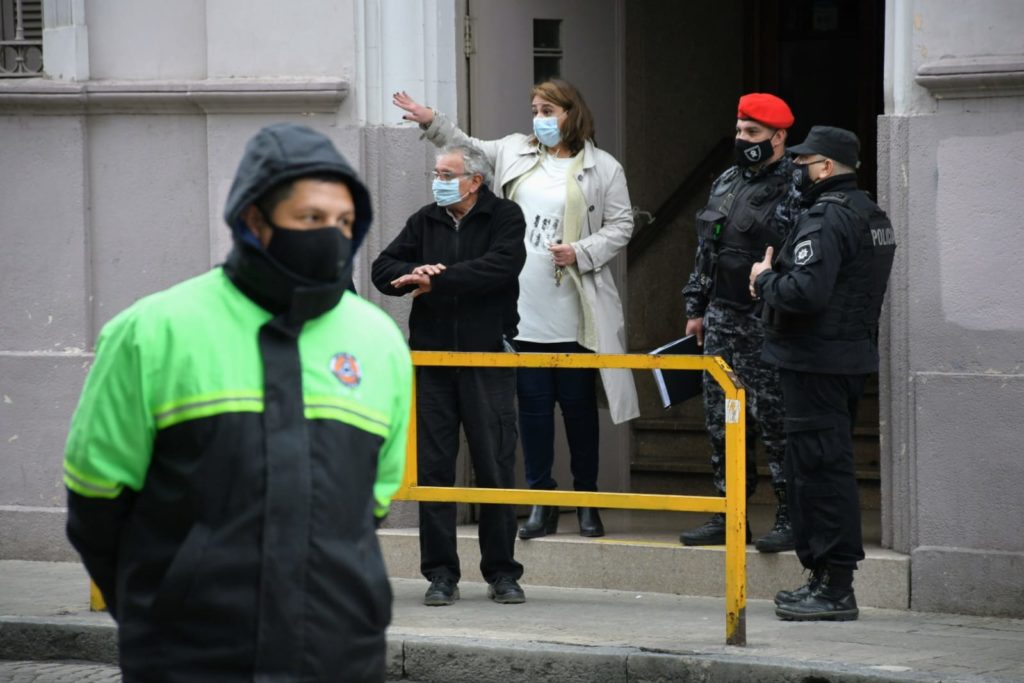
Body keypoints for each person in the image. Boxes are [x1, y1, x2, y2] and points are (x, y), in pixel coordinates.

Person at [63, 123, 412, 681]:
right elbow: (95, 499)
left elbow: (370, 504)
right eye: (311, 218)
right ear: (254, 219)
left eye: (345, 222)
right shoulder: (152, 331)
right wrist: (160, 609)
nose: (332, 234)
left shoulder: (379, 340)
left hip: (340, 656)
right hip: (188, 660)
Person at [393, 79, 639, 541]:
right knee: (532, 408)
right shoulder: (513, 151)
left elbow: (622, 224)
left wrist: (582, 251)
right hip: (523, 303)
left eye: (547, 110)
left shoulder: (603, 167)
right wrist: (431, 122)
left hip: (575, 304)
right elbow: (466, 147)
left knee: (578, 407)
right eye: (535, 110)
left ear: (570, 113)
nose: (538, 118)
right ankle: (541, 499)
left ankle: (587, 499)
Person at [750, 125, 896, 621]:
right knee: (825, 468)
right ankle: (825, 580)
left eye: (802, 162)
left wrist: (765, 279)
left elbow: (805, 293)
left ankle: (834, 587)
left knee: (819, 473)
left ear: (826, 167)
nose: (796, 169)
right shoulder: (870, 213)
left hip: (815, 362)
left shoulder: (827, 217)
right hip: (844, 358)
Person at [371, 144, 528, 607]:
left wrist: (438, 280)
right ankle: (440, 575)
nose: (437, 181)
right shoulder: (425, 219)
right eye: (436, 173)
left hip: (486, 357)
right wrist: (412, 271)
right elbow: (382, 268)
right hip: (432, 360)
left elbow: (501, 267)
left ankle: (502, 573)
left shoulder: (504, 216)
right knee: (435, 470)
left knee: (494, 466)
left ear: (475, 181)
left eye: (446, 174)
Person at [679, 93, 799, 552]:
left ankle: (790, 514)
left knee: (776, 422)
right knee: (722, 422)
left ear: (778, 136)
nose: (743, 140)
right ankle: (730, 512)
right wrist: (696, 308)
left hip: (768, 321)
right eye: (739, 131)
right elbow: (706, 249)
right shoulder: (727, 180)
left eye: (753, 132)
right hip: (721, 317)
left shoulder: (797, 183)